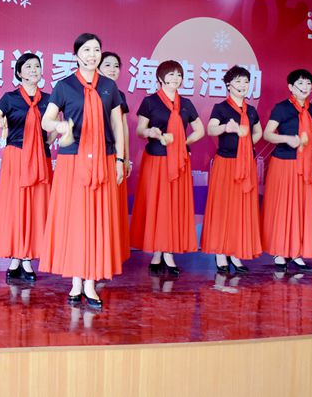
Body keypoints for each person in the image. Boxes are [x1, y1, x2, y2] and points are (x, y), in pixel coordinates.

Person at [40, 33, 125, 309]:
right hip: (73, 161)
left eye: (96, 50)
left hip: (103, 159)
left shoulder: (109, 86)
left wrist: (120, 160)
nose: (92, 55)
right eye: (86, 50)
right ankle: (76, 282)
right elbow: (46, 121)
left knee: (98, 221)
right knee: (76, 221)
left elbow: (117, 126)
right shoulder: (64, 86)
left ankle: (91, 283)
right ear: (76, 55)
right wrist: (59, 126)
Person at [130, 60, 205, 275]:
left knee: (173, 206)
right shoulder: (150, 101)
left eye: (179, 75)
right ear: (160, 78)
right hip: (156, 160)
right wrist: (152, 133)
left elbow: (200, 130)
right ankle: (156, 252)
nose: (175, 79)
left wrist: (182, 143)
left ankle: (169, 252)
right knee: (157, 205)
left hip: (178, 161)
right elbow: (140, 130)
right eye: (171, 75)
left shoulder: (186, 104)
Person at [0, 53, 53, 282]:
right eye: (28, 67)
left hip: (40, 158)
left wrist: (51, 137)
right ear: (19, 73)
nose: (34, 70)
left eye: (37, 66)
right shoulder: (10, 98)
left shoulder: (49, 99)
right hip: (16, 157)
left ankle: (27, 258)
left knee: (36, 207)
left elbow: (53, 127)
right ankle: (16, 258)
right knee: (16, 207)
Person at [262, 69, 312, 271]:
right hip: (284, 163)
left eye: (308, 84)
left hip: (305, 164)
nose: (305, 88)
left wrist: (308, 143)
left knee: (301, 207)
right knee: (283, 207)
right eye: (300, 84)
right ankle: (280, 252)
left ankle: (297, 252)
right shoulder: (282, 108)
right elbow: (267, 134)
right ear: (291, 87)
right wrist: (287, 139)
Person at [201, 66, 263, 273]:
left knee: (241, 209)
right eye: (238, 81)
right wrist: (226, 128)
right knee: (223, 208)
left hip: (245, 163)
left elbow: (258, 132)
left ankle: (236, 253)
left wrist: (247, 144)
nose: (243, 86)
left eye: (246, 82)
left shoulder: (251, 110)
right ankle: (221, 253)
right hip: (226, 164)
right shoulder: (221, 108)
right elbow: (211, 129)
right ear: (228, 85)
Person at [99, 52, 132, 261]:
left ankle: (109, 254)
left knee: (111, 208)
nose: (112, 69)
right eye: (108, 65)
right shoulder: (90, 90)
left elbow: (123, 127)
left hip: (114, 155)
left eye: (116, 66)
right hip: (93, 156)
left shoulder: (119, 94)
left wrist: (124, 157)